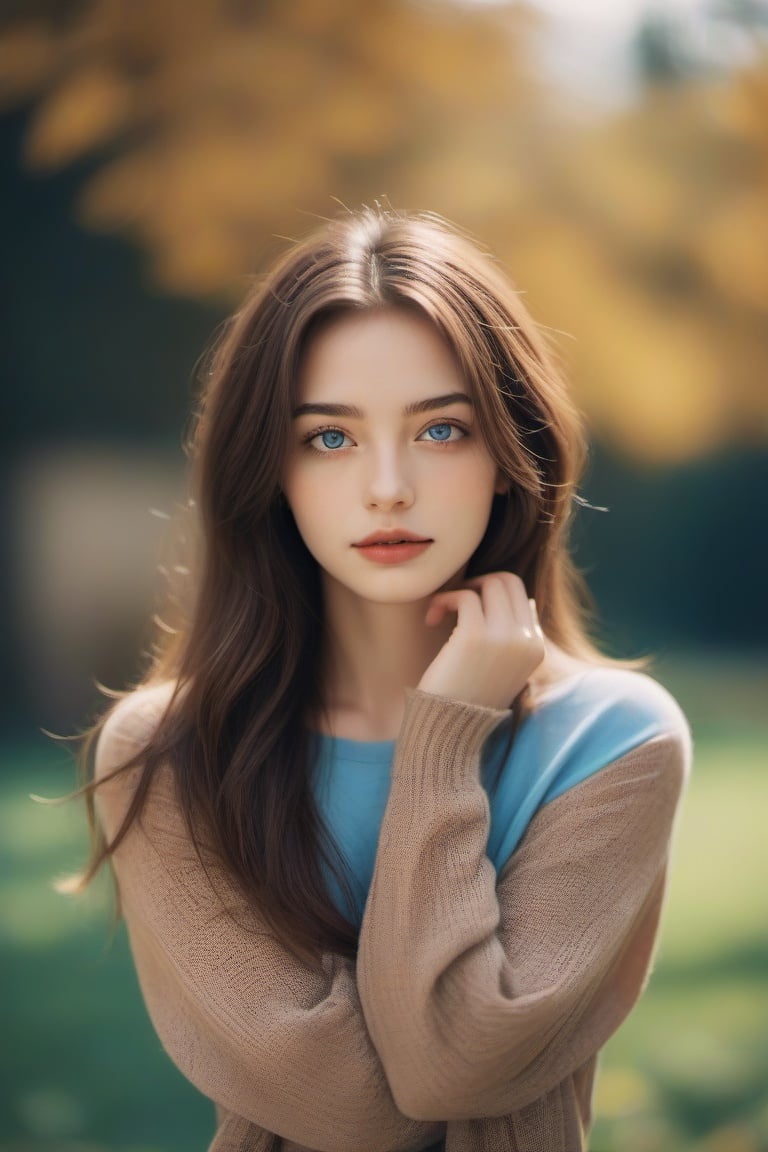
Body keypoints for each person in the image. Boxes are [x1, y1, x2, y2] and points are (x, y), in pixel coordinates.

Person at [75, 206, 691, 1151]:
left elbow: (455, 1062)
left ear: (507, 457)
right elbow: (355, 1115)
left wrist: (445, 730)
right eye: (331, 438)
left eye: (442, 430)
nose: (388, 486)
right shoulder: (172, 754)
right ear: (269, 469)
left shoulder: (615, 741)